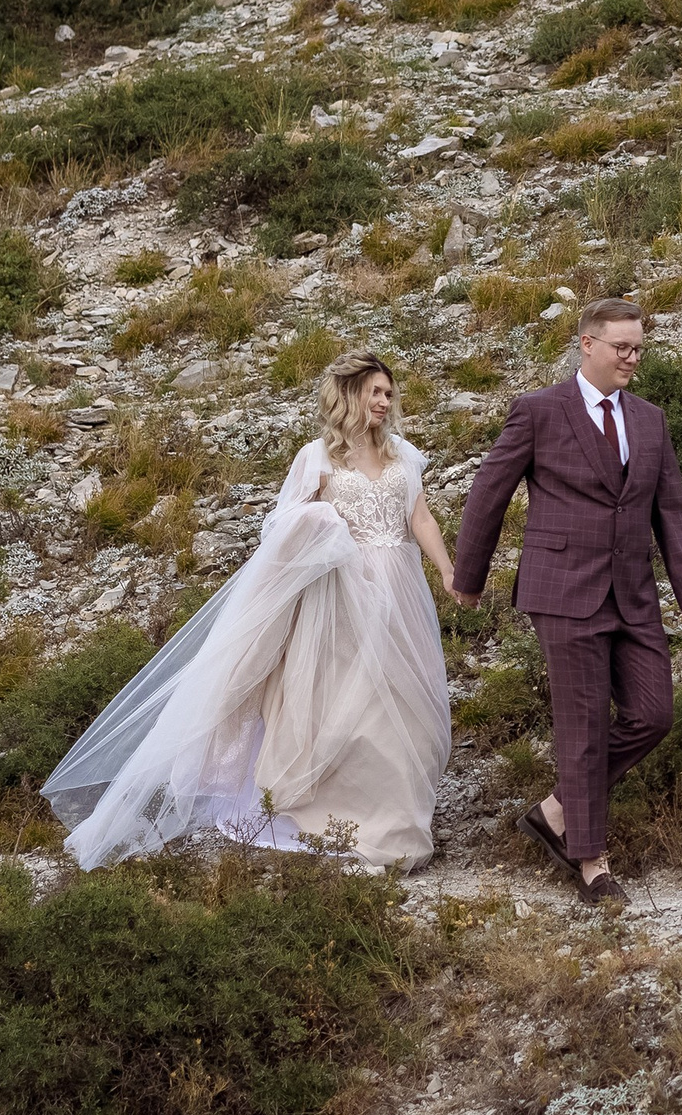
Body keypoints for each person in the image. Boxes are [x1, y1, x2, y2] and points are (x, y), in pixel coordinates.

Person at [44, 353, 456, 870]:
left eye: (389, 393)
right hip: (341, 597)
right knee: (354, 710)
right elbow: (281, 530)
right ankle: (363, 825)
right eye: (375, 391)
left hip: (400, 590)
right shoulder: (316, 457)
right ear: (349, 395)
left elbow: (420, 518)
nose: (384, 401)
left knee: (412, 707)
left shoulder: (401, 455)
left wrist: (447, 570)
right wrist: (323, 524)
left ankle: (402, 820)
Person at [452, 298, 682, 907]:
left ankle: (557, 809)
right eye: (622, 347)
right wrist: (469, 576)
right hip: (563, 589)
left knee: (654, 715)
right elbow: (489, 492)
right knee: (584, 726)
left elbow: (670, 511)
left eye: (639, 348)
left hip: (634, 593)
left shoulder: (651, 420)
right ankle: (593, 863)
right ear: (587, 344)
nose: (632, 358)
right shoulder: (539, 410)